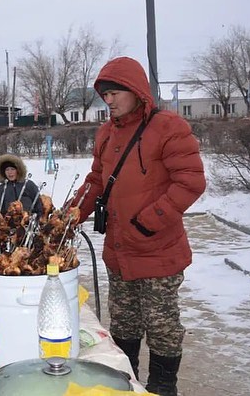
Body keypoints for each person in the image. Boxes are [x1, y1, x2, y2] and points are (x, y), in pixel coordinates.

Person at [72, 57, 206, 396]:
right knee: (124, 323)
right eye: (105, 95)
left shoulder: (168, 127)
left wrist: (149, 222)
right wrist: (71, 214)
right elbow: (97, 180)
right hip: (120, 251)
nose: (109, 100)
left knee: (161, 326)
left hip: (158, 249)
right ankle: (126, 382)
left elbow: (190, 181)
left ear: (136, 91)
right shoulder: (105, 133)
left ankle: (163, 386)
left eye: (115, 93)